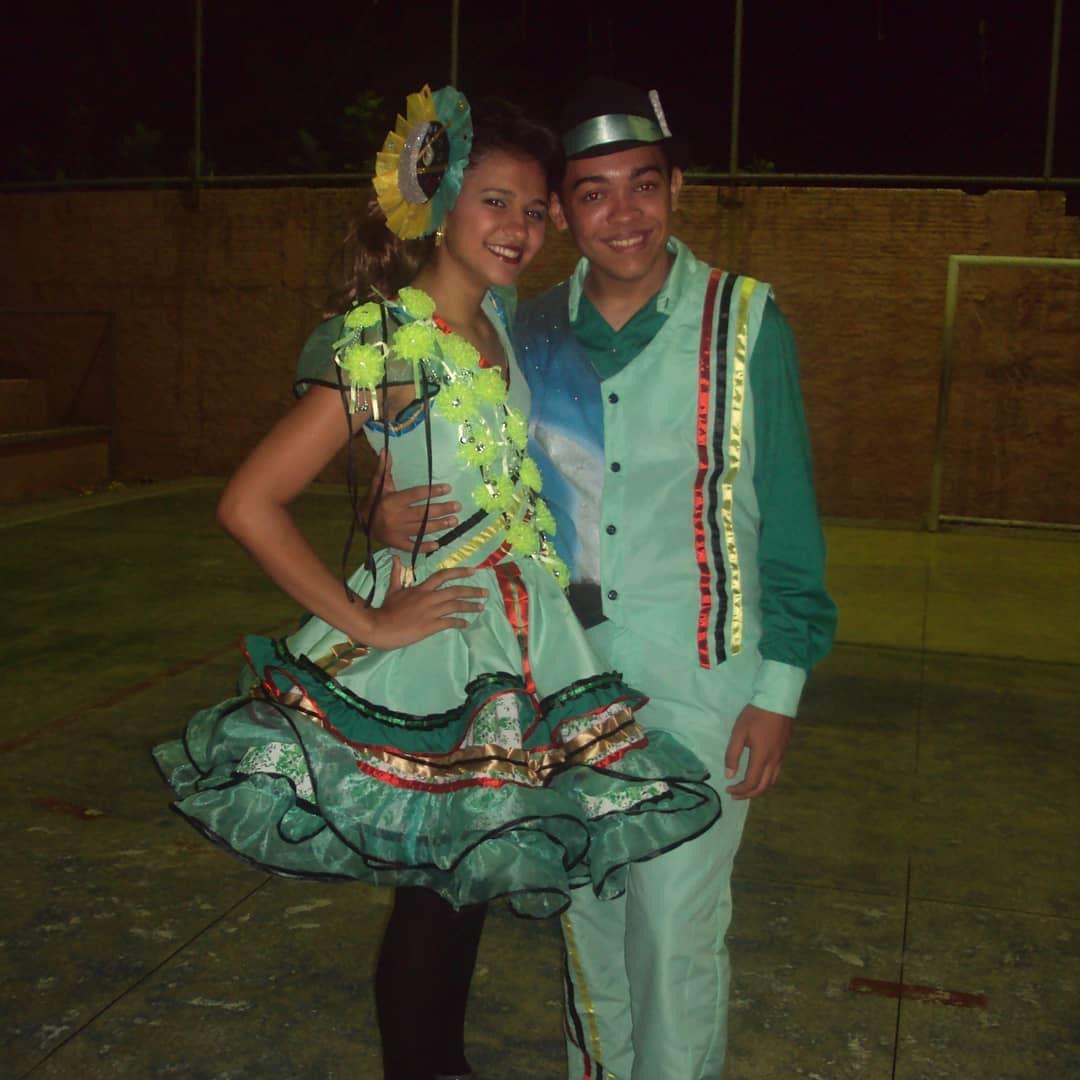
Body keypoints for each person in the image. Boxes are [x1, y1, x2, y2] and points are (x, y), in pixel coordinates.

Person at [153, 85, 722, 1080]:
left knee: (462, 884)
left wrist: (391, 495)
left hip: (516, 636)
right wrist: (370, 623)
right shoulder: (384, 342)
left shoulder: (498, 324)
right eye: (496, 201)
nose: (521, 228)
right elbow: (250, 503)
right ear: (439, 202)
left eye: (536, 209)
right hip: (438, 646)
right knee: (437, 892)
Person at [372, 77, 838, 1079]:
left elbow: (792, 517)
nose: (624, 213)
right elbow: (426, 432)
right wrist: (381, 506)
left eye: (644, 184)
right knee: (591, 924)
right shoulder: (524, 331)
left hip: (706, 678)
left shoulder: (745, 322)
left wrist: (781, 689)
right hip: (569, 681)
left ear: (676, 188)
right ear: (563, 212)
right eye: (593, 192)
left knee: (674, 935)